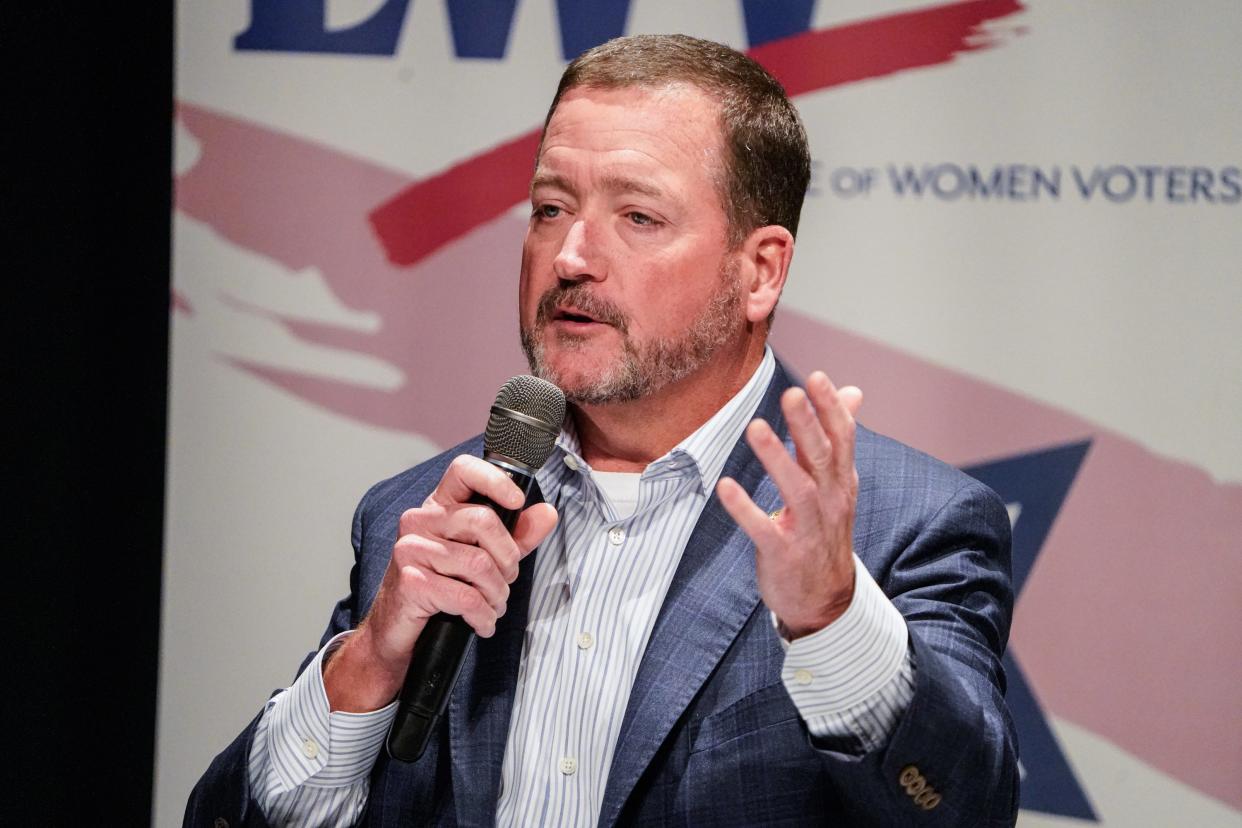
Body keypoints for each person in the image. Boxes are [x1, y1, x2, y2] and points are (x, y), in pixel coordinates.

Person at [186, 34, 1018, 827]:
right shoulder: (416, 520)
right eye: (550, 208)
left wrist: (832, 621)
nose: (571, 256)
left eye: (638, 217)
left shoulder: (903, 526)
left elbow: (965, 810)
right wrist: (368, 664)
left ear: (759, 269)